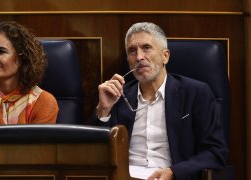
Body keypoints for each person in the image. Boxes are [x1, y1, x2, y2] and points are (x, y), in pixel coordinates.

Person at [91, 22, 228, 180]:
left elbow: (215, 152)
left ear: (165, 56)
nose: (139, 57)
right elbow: (94, 153)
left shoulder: (196, 93)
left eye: (146, 48)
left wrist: (174, 172)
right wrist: (103, 110)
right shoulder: (118, 95)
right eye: (132, 51)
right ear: (128, 59)